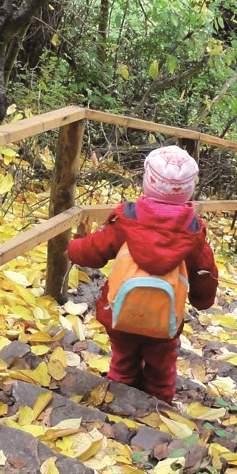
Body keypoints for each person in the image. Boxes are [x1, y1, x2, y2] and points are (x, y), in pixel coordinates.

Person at [67, 146, 218, 404]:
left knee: (124, 360)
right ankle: (158, 408)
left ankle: (119, 400)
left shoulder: (127, 218)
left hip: (120, 311)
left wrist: (73, 248)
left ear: (147, 181)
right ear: (189, 189)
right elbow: (204, 271)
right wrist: (202, 300)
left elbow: (93, 251)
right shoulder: (193, 231)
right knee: (162, 369)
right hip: (165, 319)